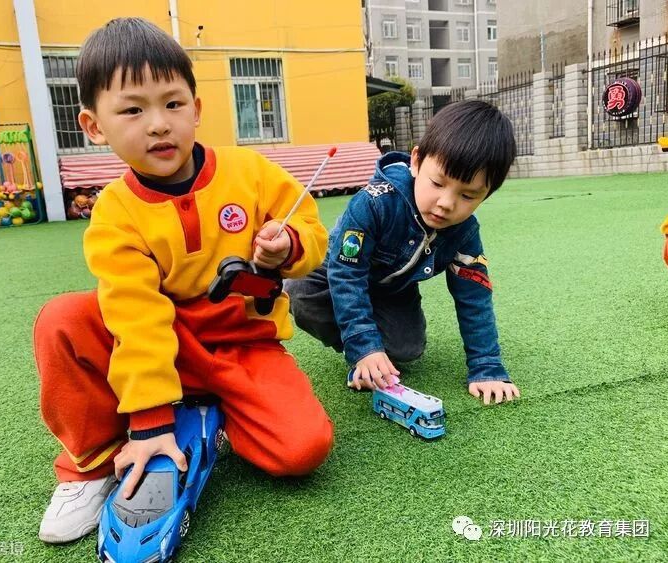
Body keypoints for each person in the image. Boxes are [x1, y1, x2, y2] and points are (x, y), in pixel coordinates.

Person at [34, 17, 332, 544]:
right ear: (94, 126)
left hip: (243, 346)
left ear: (195, 109)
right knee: (62, 319)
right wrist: (149, 421)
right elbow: (137, 317)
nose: (158, 125)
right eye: (133, 110)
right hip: (161, 342)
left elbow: (310, 229)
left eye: (172, 104)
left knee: (303, 449)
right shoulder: (115, 213)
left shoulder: (251, 171)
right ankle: (92, 466)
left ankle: (211, 415)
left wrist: (289, 246)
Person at [286, 100, 520, 405]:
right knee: (299, 294)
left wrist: (486, 366)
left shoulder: (464, 233)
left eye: (467, 195)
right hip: (334, 274)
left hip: (392, 291)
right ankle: (361, 352)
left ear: (485, 194)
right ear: (417, 161)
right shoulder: (373, 203)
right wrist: (364, 349)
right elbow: (347, 275)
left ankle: (373, 348)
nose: (446, 203)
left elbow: (474, 297)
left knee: (407, 349)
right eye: (437, 183)